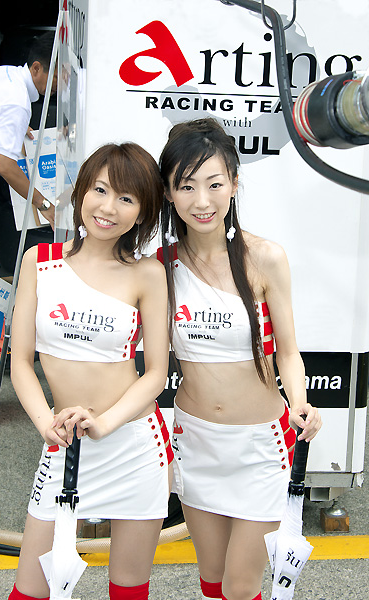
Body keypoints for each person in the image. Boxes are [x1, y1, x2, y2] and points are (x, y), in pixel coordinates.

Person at [157, 118, 322, 600]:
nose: (202, 201)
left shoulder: (265, 257)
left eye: (214, 184)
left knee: (241, 585)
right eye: (186, 186)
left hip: (260, 448)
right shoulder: (161, 268)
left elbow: (288, 351)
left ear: (233, 182)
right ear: (168, 193)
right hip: (195, 441)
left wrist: (301, 403)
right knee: (212, 581)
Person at [9, 143, 172, 600]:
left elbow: (155, 374)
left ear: (142, 212)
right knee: (29, 591)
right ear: (81, 191)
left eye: (126, 198)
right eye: (100, 190)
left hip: (133, 445)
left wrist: (104, 424)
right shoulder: (40, 261)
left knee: (128, 592)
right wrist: (46, 425)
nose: (108, 207)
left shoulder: (148, 273)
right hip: (61, 439)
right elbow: (20, 361)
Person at [0, 31, 57, 373]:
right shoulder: (18, 103)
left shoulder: (5, 75)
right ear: (36, 69)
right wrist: (44, 205)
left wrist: (18, 130)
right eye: (57, 76)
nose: (60, 85)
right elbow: (6, 168)